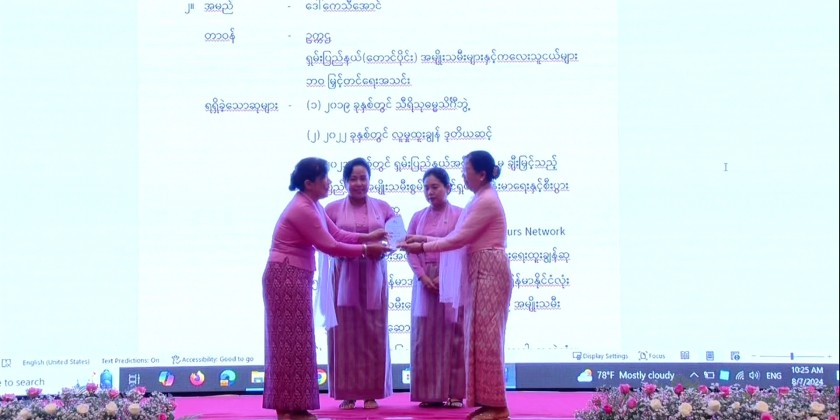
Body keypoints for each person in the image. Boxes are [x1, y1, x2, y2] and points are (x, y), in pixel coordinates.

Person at [262, 157, 390, 420]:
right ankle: (288, 409)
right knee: (289, 343)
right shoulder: (303, 208)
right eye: (325, 178)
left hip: (294, 276)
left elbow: (337, 234)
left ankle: (293, 407)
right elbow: (330, 246)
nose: (329, 182)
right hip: (286, 276)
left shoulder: (312, 204)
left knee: (297, 342)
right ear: (309, 183)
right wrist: (367, 248)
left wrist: (368, 237)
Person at [400, 151, 513, 420]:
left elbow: (458, 239)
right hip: (480, 269)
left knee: (488, 340)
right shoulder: (480, 198)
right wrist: (421, 238)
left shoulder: (486, 200)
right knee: (479, 339)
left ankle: (498, 407)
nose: (463, 175)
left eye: (465, 171)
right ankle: (489, 403)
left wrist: (422, 245)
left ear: (481, 174)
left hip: (489, 269)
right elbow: (455, 236)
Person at [323, 157, 396, 410]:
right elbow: (326, 241)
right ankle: (348, 393)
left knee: (374, 332)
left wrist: (384, 250)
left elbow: (397, 238)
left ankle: (371, 392)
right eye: (353, 179)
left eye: (363, 178)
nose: (358, 183)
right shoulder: (331, 209)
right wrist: (354, 250)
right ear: (344, 182)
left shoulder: (383, 207)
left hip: (374, 276)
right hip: (344, 276)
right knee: (345, 334)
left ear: (370, 180)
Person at [405, 167, 466, 408]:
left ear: (448, 188)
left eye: (435, 187)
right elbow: (409, 249)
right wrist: (422, 277)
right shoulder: (417, 217)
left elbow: (462, 247)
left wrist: (444, 276)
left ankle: (454, 393)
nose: (430, 192)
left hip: (452, 279)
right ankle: (429, 393)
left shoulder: (460, 215)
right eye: (426, 188)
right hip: (424, 282)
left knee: (454, 334)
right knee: (426, 336)